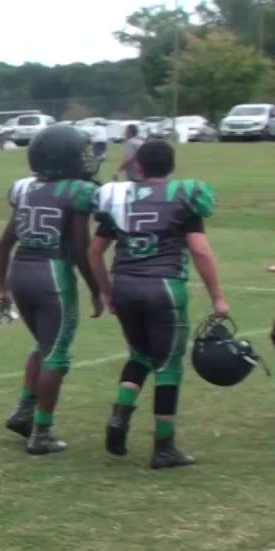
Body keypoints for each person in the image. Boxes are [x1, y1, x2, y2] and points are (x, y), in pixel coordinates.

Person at [87, 139, 225, 469]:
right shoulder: (184, 198)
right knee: (168, 365)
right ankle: (164, 447)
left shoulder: (119, 199)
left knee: (139, 354)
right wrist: (218, 297)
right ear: (172, 166)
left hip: (124, 283)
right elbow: (201, 251)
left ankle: (120, 415)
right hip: (163, 286)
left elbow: (94, 253)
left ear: (140, 166)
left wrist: (107, 291)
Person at [0, 124, 104, 455]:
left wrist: (1, 288)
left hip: (20, 272)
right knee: (57, 353)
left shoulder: (25, 189)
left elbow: (3, 244)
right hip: (52, 275)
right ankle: (41, 432)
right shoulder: (76, 192)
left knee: (43, 346)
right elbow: (81, 248)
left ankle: (25, 411)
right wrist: (97, 289)